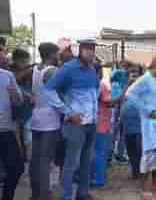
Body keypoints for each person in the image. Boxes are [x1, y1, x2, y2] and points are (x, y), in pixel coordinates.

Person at [43, 39, 99, 200]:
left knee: (86, 162)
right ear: (79, 50)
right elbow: (48, 91)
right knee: (71, 164)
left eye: (93, 49)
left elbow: (93, 94)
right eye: (87, 48)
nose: (90, 52)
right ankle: (66, 196)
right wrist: (67, 112)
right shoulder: (69, 68)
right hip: (76, 125)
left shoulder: (91, 69)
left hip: (91, 123)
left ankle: (82, 194)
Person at [125, 56, 156, 200]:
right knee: (150, 153)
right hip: (152, 125)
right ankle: (145, 189)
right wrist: (146, 110)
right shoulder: (145, 79)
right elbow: (130, 94)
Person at [29, 42, 61, 200]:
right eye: (57, 53)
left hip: (36, 119)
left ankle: (35, 194)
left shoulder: (35, 69)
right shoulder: (53, 71)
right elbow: (55, 97)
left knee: (35, 160)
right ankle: (42, 195)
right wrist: (67, 111)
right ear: (52, 54)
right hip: (50, 121)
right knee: (45, 161)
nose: (59, 56)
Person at [0, 53, 25, 200]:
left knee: (16, 168)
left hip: (5, 130)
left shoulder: (7, 75)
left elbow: (19, 101)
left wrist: (16, 95)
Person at [120, 63, 144, 180]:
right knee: (130, 149)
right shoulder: (125, 86)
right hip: (127, 123)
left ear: (141, 74)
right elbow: (120, 100)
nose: (133, 74)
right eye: (131, 72)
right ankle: (135, 171)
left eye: (136, 72)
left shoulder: (144, 86)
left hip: (141, 124)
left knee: (140, 149)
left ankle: (141, 172)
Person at [90, 63, 111, 188]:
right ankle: (99, 178)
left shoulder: (86, 86)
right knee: (99, 152)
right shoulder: (100, 86)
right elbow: (109, 102)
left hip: (90, 123)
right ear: (98, 73)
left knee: (92, 152)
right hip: (101, 124)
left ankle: (94, 176)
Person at [10, 49, 33, 162]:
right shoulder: (8, 71)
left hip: (27, 111)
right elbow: (14, 81)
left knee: (27, 140)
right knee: (15, 141)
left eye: (26, 61)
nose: (25, 64)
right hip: (12, 112)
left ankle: (28, 162)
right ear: (15, 61)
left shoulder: (31, 71)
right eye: (23, 62)